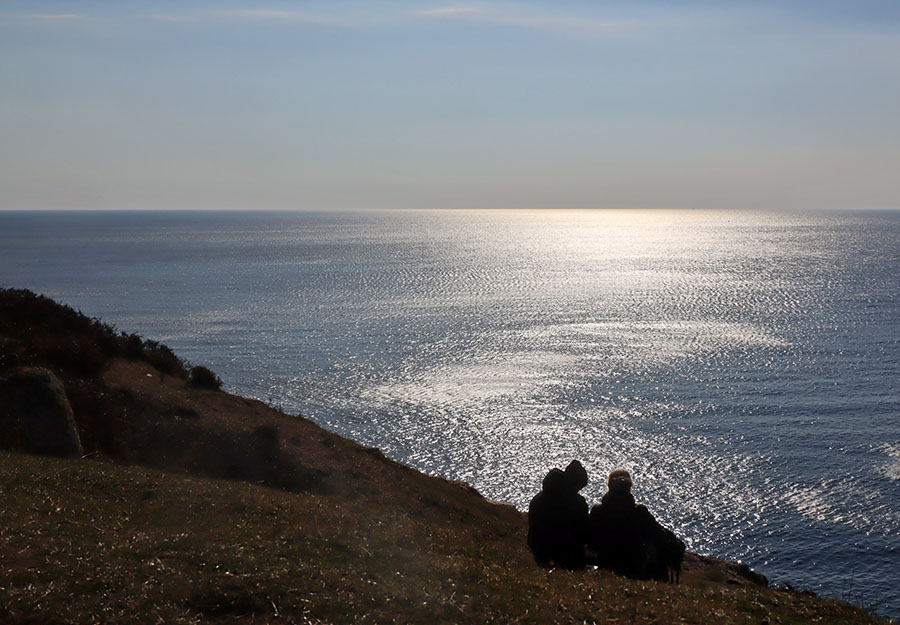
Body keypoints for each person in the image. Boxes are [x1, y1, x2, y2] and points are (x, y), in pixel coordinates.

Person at [586, 469, 685, 581]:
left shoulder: (598, 511)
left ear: (609, 486)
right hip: (634, 566)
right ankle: (663, 584)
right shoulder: (639, 512)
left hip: (605, 562)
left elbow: (590, 541)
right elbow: (658, 534)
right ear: (629, 487)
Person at [527, 460, 589, 569]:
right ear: (575, 484)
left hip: (538, 549)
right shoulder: (576, 502)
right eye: (579, 488)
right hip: (564, 553)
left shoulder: (539, 498)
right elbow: (583, 533)